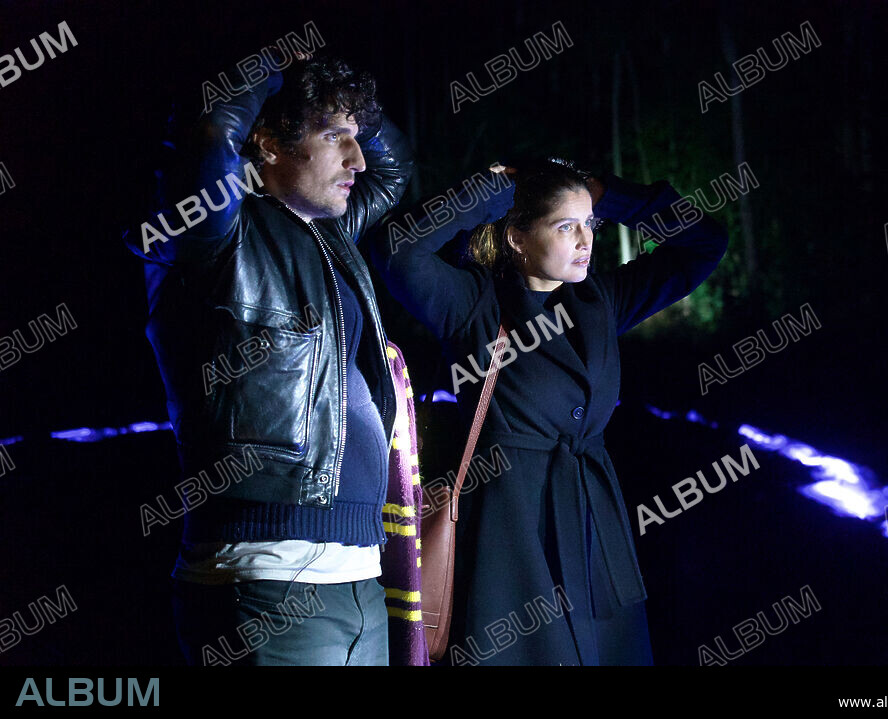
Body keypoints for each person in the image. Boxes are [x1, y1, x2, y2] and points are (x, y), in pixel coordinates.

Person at [370, 158, 729, 665]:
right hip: (509, 528)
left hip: (592, 525)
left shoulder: (600, 300)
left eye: (590, 225)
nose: (586, 240)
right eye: (567, 226)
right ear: (518, 236)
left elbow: (705, 243)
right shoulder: (472, 303)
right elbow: (395, 248)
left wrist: (607, 194)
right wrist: (496, 190)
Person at [124, 50, 413, 665]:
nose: (357, 160)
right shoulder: (212, 231)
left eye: (354, 138)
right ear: (269, 143)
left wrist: (340, 93)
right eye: (335, 137)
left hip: (358, 578)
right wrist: (285, 66)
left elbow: (394, 168)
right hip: (266, 582)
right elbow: (209, 136)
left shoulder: (330, 232)